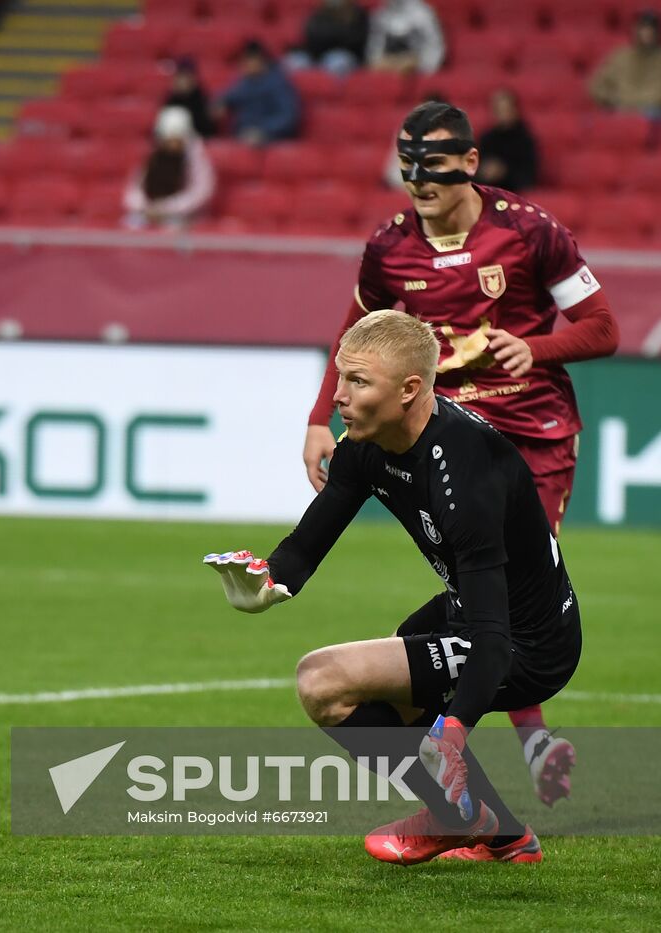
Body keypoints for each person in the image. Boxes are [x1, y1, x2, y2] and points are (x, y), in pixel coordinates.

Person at [302, 101, 619, 809]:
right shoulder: (389, 247)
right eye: (408, 169)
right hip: (440, 434)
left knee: (502, 588)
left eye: (434, 168)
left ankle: (492, 762)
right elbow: (355, 334)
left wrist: (535, 347)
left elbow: (603, 327)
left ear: (471, 162)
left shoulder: (533, 233)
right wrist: (321, 416)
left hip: (528, 435)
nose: (420, 182)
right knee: (461, 602)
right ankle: (471, 792)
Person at [208, 309, 583, 864]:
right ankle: (501, 835)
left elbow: (492, 635)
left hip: (530, 643)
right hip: (471, 610)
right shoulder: (366, 445)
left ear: (410, 389)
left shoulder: (467, 471)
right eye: (341, 377)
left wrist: (454, 730)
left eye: (358, 382)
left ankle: (455, 816)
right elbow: (308, 544)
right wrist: (267, 585)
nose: (339, 396)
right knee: (389, 679)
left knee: (323, 681)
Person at [122, 106, 216, 230]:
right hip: (150, 211)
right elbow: (134, 190)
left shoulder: (197, 157)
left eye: (176, 140)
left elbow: (201, 192)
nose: (172, 144)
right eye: (168, 140)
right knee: (131, 225)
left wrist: (166, 208)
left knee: (174, 230)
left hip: (184, 215)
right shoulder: (154, 155)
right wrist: (144, 206)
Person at [216, 40, 301, 147]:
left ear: (260, 60)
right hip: (243, 134)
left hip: (269, 136)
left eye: (247, 62)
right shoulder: (247, 81)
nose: (243, 66)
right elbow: (230, 95)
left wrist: (263, 131)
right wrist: (221, 102)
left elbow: (288, 116)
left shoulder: (278, 83)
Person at [589, 9, 661, 114]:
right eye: (644, 28)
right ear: (636, 30)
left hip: (654, 112)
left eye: (651, 29)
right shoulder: (621, 57)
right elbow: (596, 86)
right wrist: (613, 100)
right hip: (623, 112)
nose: (648, 32)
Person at [285, 0, 370, 77]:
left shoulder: (358, 14)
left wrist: (332, 35)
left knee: (336, 61)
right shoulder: (319, 13)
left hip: (344, 55)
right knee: (293, 61)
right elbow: (311, 35)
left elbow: (354, 40)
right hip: (316, 54)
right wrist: (335, 34)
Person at [477, 89, 538, 194]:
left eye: (506, 110)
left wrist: (503, 172)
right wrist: (484, 171)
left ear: (515, 110)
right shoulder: (487, 137)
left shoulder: (525, 140)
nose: (502, 114)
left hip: (512, 192)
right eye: (498, 110)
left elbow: (529, 176)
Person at [366, 0, 445, 76]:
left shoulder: (424, 14)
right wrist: (384, 63)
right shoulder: (379, 15)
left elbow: (435, 46)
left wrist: (421, 64)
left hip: (418, 69)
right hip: (387, 70)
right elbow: (374, 50)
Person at [163, 56, 217, 139]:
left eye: (187, 77)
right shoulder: (170, 99)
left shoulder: (202, 100)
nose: (183, 81)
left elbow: (208, 130)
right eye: (181, 77)